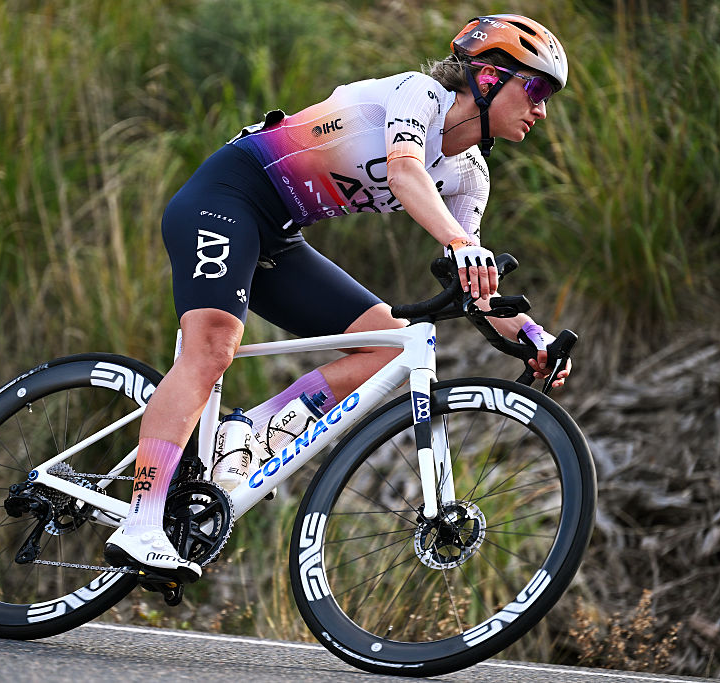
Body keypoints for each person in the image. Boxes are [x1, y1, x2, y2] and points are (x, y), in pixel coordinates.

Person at [104, 14, 573, 582]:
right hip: (227, 195)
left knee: (391, 347)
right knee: (212, 347)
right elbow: (403, 171)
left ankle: (246, 432)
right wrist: (456, 240)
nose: (542, 109)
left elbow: (474, 284)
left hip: (278, 233)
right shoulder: (417, 95)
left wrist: (531, 337)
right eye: (537, 88)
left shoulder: (470, 176)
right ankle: (141, 520)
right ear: (490, 76)